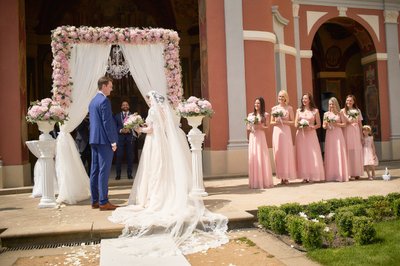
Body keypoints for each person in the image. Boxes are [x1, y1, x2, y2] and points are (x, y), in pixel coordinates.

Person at [109, 91, 228, 256]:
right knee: (160, 169)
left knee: (154, 171)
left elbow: (151, 129)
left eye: (150, 99)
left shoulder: (153, 111)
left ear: (153, 100)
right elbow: (160, 127)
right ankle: (158, 195)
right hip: (160, 144)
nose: (149, 101)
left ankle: (153, 198)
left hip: (154, 143)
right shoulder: (164, 111)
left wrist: (138, 128)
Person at [89, 76, 118, 211]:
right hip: (104, 141)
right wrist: (113, 141)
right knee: (104, 172)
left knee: (94, 170)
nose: (111, 89)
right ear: (104, 86)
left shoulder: (93, 101)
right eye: (110, 86)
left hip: (94, 139)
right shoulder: (104, 101)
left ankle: (95, 200)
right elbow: (107, 123)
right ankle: (103, 202)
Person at [294, 93, 325, 183]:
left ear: (310, 100)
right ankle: (304, 176)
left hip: (311, 134)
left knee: (312, 154)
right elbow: (295, 124)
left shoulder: (315, 111)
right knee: (302, 154)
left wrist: (311, 127)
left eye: (306, 99)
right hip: (301, 135)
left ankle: (313, 175)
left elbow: (318, 124)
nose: (304, 100)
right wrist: (301, 126)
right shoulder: (299, 111)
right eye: (303, 99)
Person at [270, 90, 297, 184]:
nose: (280, 98)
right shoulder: (274, 109)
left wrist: (284, 122)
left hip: (286, 132)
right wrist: (277, 122)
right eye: (279, 96)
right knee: (278, 153)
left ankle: (286, 177)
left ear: (286, 98)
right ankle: (281, 176)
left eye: (282, 96)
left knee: (286, 153)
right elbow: (271, 122)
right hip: (277, 132)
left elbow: (293, 122)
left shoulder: (289, 108)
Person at [246, 97, 273, 189]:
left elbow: (267, 127)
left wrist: (260, 126)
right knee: (254, 157)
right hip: (253, 136)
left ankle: (264, 181)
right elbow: (247, 128)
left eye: (258, 103)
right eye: (255, 103)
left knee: (262, 156)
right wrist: (251, 126)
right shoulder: (250, 115)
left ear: (261, 104)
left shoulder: (265, 115)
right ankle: (255, 181)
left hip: (261, 136)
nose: (256, 105)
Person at [323, 97, 349, 182]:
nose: (331, 106)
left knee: (338, 152)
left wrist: (336, 124)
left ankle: (340, 175)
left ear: (336, 104)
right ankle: (331, 175)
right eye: (330, 104)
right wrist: (326, 124)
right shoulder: (326, 114)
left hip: (338, 134)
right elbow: (323, 126)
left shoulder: (340, 113)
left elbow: (344, 124)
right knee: (331, 153)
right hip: (330, 135)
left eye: (333, 104)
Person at [341, 95, 364, 180]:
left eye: (350, 101)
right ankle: (349, 172)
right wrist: (347, 122)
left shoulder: (358, 111)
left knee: (356, 151)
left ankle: (357, 172)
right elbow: (341, 123)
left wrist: (361, 136)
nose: (348, 102)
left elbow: (360, 124)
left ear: (354, 101)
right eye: (347, 100)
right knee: (348, 151)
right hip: (347, 131)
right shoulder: (342, 111)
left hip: (356, 131)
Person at [114, 101, 136, 180]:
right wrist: (121, 130)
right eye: (123, 105)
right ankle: (118, 174)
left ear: (129, 106)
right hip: (120, 139)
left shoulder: (133, 116)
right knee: (119, 156)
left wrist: (130, 130)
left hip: (130, 138)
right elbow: (114, 127)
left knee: (130, 156)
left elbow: (136, 126)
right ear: (121, 107)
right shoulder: (117, 116)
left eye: (126, 104)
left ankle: (129, 174)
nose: (125, 106)